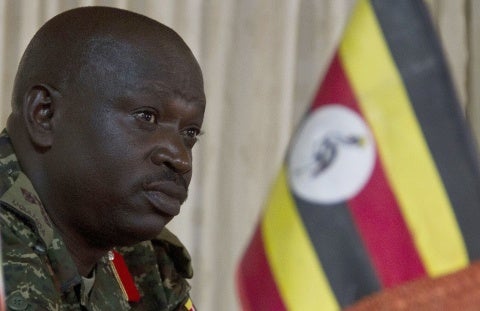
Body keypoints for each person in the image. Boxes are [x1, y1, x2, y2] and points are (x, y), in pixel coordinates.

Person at [0, 6, 205, 311]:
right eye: (146, 117)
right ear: (44, 113)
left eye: (189, 134)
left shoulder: (145, 257)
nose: (180, 158)